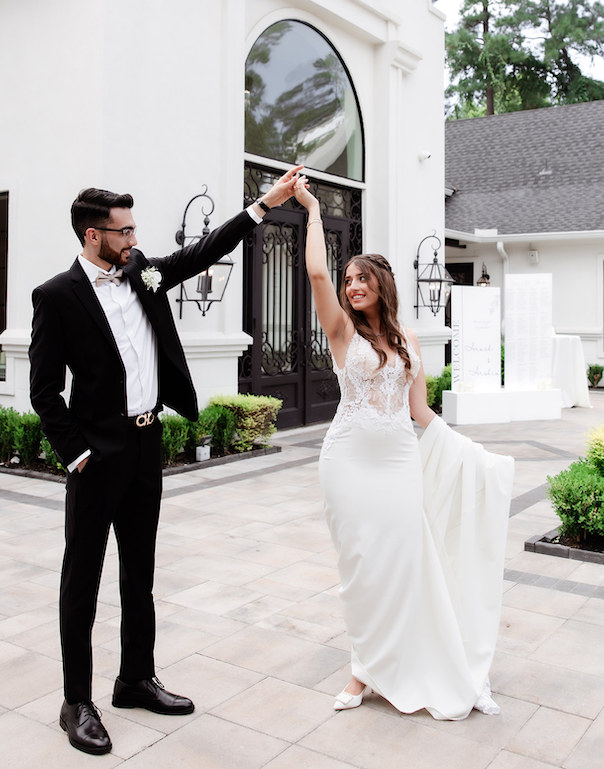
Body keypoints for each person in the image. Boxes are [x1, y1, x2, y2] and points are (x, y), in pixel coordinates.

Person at [28, 165, 303, 755]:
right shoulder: (56, 297)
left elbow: (203, 252)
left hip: (147, 444)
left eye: (132, 229)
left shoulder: (142, 272)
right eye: (122, 231)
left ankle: (134, 679)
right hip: (96, 457)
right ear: (91, 235)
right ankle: (77, 700)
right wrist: (76, 455)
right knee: (82, 580)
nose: (133, 239)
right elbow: (45, 392)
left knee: (140, 574)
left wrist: (262, 205)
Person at [293, 176, 514, 720]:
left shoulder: (408, 340)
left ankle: (403, 658)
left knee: (404, 563)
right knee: (362, 566)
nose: (351, 286)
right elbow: (316, 271)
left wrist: (471, 453)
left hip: (397, 462)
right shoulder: (342, 331)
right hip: (347, 461)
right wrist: (314, 211)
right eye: (348, 280)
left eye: (361, 278)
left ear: (381, 284)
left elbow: (419, 412)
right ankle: (360, 668)